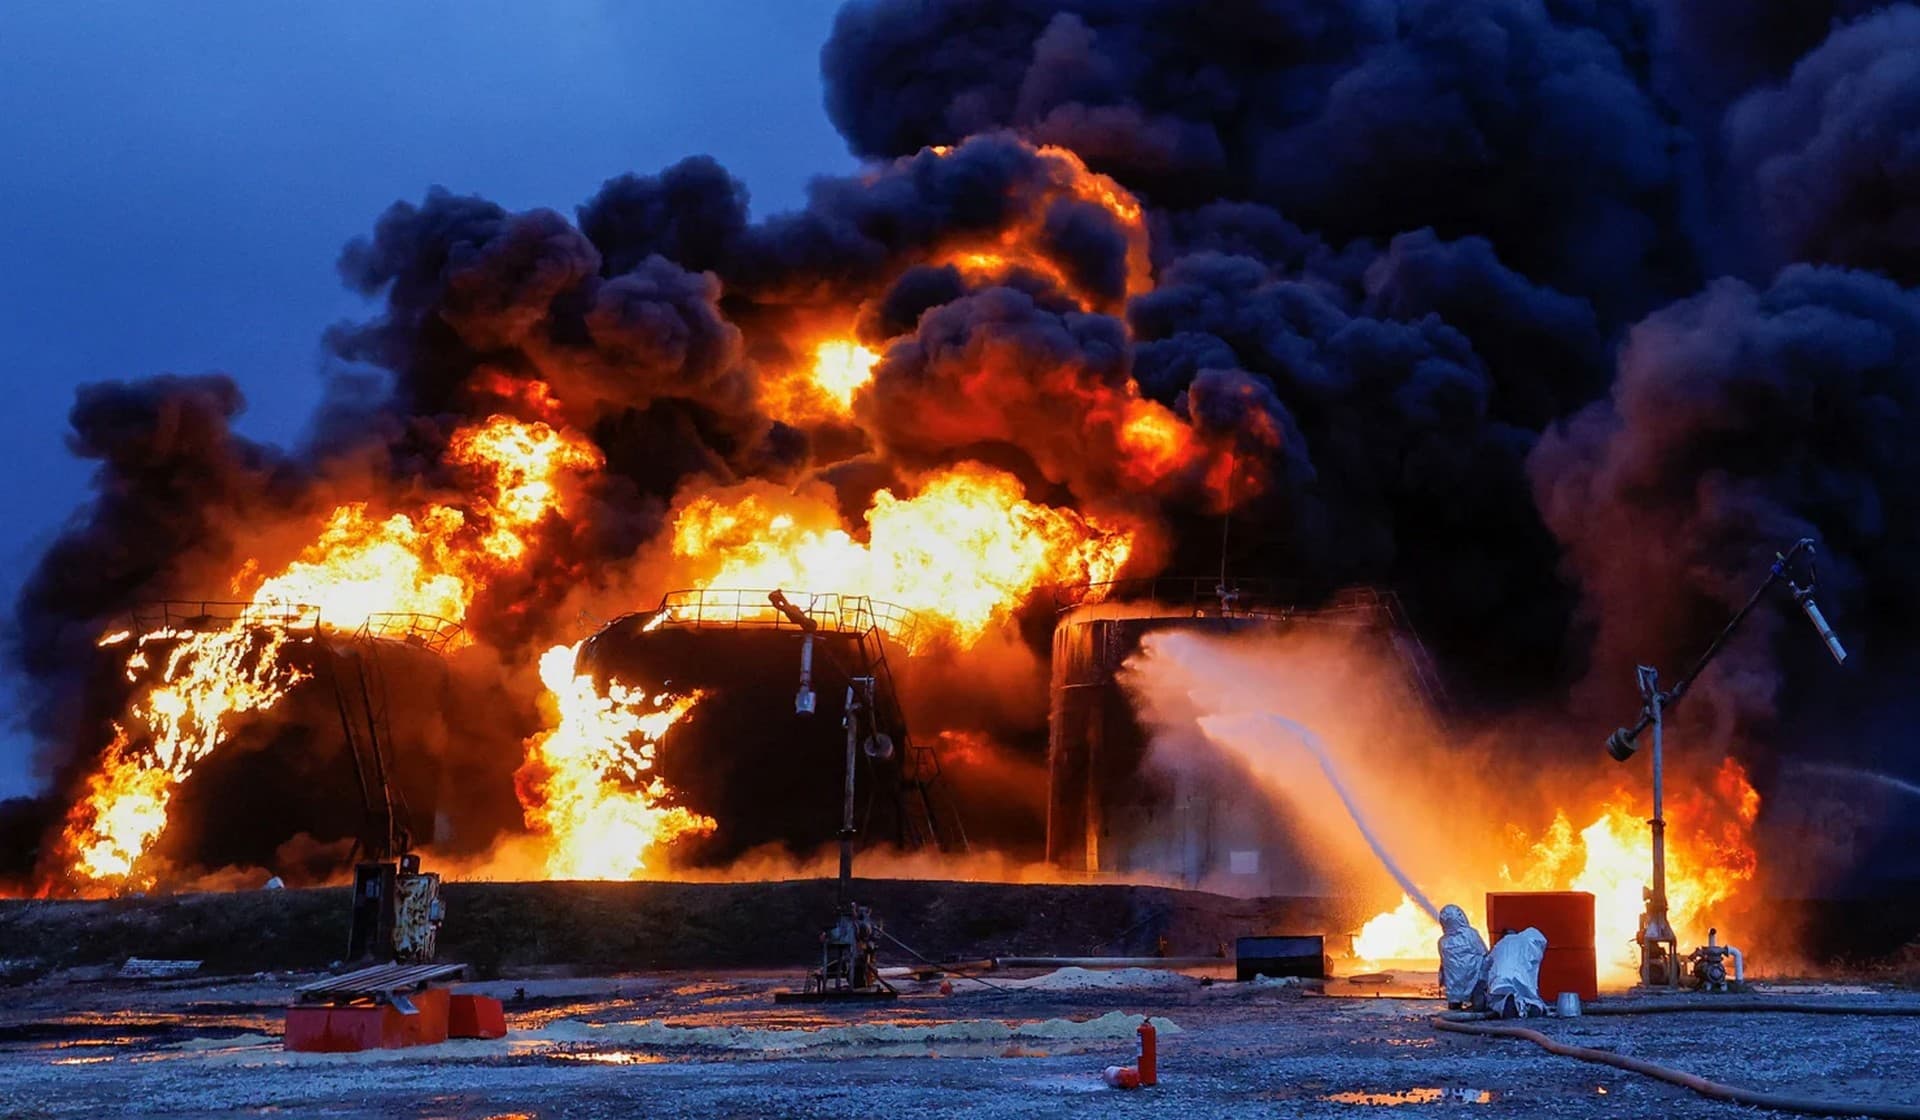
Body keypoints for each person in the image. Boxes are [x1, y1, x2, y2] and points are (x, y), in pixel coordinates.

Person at [1485, 927, 1549, 1018]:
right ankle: (1532, 1006)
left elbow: (1486, 964)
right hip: (1522, 976)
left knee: (1497, 999)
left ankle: (1507, 1004)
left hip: (1501, 977)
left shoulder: (1499, 945)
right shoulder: (1525, 942)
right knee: (1528, 996)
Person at [1436, 904, 1488, 1009]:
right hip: (1474, 979)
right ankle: (1478, 1002)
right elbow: (1484, 953)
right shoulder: (1471, 934)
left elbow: (1444, 964)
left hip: (1454, 986)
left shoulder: (1442, 942)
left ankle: (1454, 1005)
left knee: (1454, 1001)